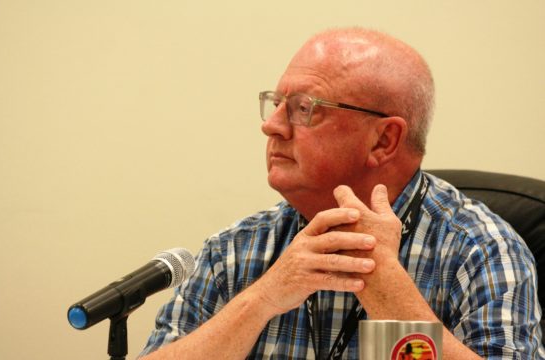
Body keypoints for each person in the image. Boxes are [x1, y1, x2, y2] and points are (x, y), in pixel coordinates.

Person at [139, 27, 544, 359]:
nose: (272, 126)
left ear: (383, 140)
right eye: (276, 104)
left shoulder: (479, 249)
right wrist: (263, 298)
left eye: (304, 108)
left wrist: (384, 286)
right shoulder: (237, 249)